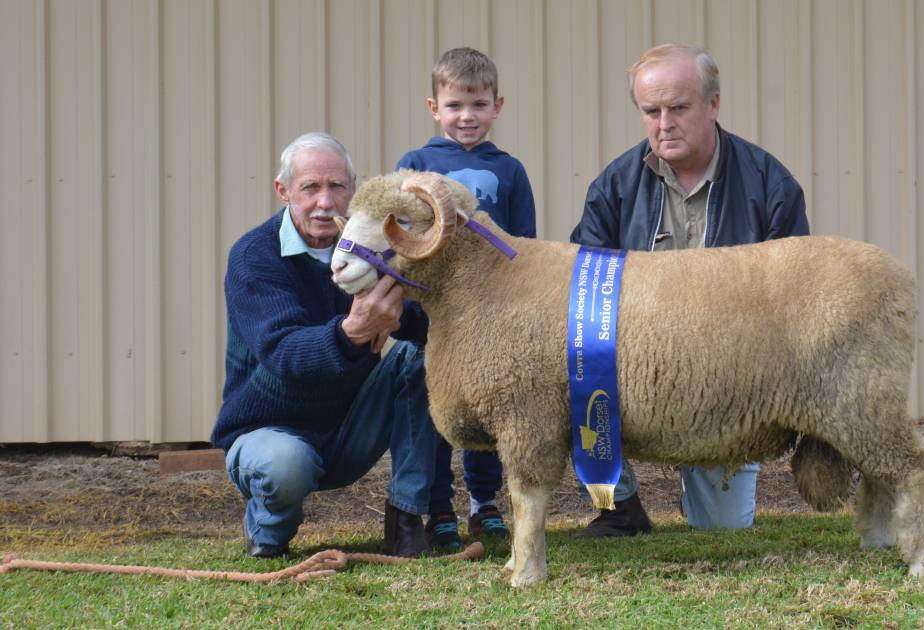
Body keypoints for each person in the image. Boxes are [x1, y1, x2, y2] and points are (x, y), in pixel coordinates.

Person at [570, 44, 810, 537]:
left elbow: (796, 302)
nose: (664, 124)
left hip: (729, 384)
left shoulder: (771, 185)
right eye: (651, 111)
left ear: (713, 104)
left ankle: (703, 493)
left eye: (678, 108)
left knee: (722, 530)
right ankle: (619, 506)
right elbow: (581, 296)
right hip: (634, 373)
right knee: (564, 374)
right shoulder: (613, 188)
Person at [212, 132, 440, 559]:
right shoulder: (253, 257)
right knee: (285, 466)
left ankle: (406, 519)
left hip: (349, 427)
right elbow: (283, 354)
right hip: (271, 429)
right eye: (310, 187)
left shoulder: (370, 245)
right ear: (283, 192)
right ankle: (268, 530)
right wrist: (353, 330)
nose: (325, 202)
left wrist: (409, 303)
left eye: (336, 187)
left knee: (425, 359)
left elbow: (421, 322)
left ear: (354, 191)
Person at [395, 47, 536, 551]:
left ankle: (485, 503)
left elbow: (525, 246)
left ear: (497, 106)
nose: (467, 117)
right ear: (434, 108)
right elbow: (402, 237)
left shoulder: (511, 170)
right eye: (455, 106)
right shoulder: (415, 165)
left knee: (490, 411)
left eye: (477, 105)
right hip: (438, 315)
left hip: (493, 314)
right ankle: (438, 508)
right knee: (439, 413)